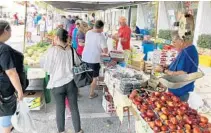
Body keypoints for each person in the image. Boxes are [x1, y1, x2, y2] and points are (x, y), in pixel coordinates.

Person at [42, 28, 83, 133]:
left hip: (57, 84)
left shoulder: (52, 50)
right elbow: (78, 64)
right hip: (71, 83)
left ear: (56, 38)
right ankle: (78, 130)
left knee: (60, 108)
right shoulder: (72, 50)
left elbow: (47, 68)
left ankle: (61, 131)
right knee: (74, 107)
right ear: (66, 38)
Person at [155, 30, 198, 101]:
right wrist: (168, 66)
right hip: (175, 90)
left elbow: (181, 74)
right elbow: (180, 65)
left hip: (180, 93)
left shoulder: (187, 53)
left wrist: (163, 70)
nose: (173, 44)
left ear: (181, 41)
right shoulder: (185, 49)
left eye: (174, 42)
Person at [0, 20, 24, 133]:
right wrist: (19, 91)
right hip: (4, 88)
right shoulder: (3, 49)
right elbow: (11, 72)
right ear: (5, 30)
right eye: (10, 30)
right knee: (6, 113)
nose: (11, 32)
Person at [82, 20, 108, 99]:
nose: (103, 30)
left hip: (85, 57)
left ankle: (78, 91)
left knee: (85, 74)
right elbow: (105, 51)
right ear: (100, 28)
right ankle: (91, 94)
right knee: (94, 77)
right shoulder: (101, 36)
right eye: (102, 28)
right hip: (94, 59)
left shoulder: (88, 32)